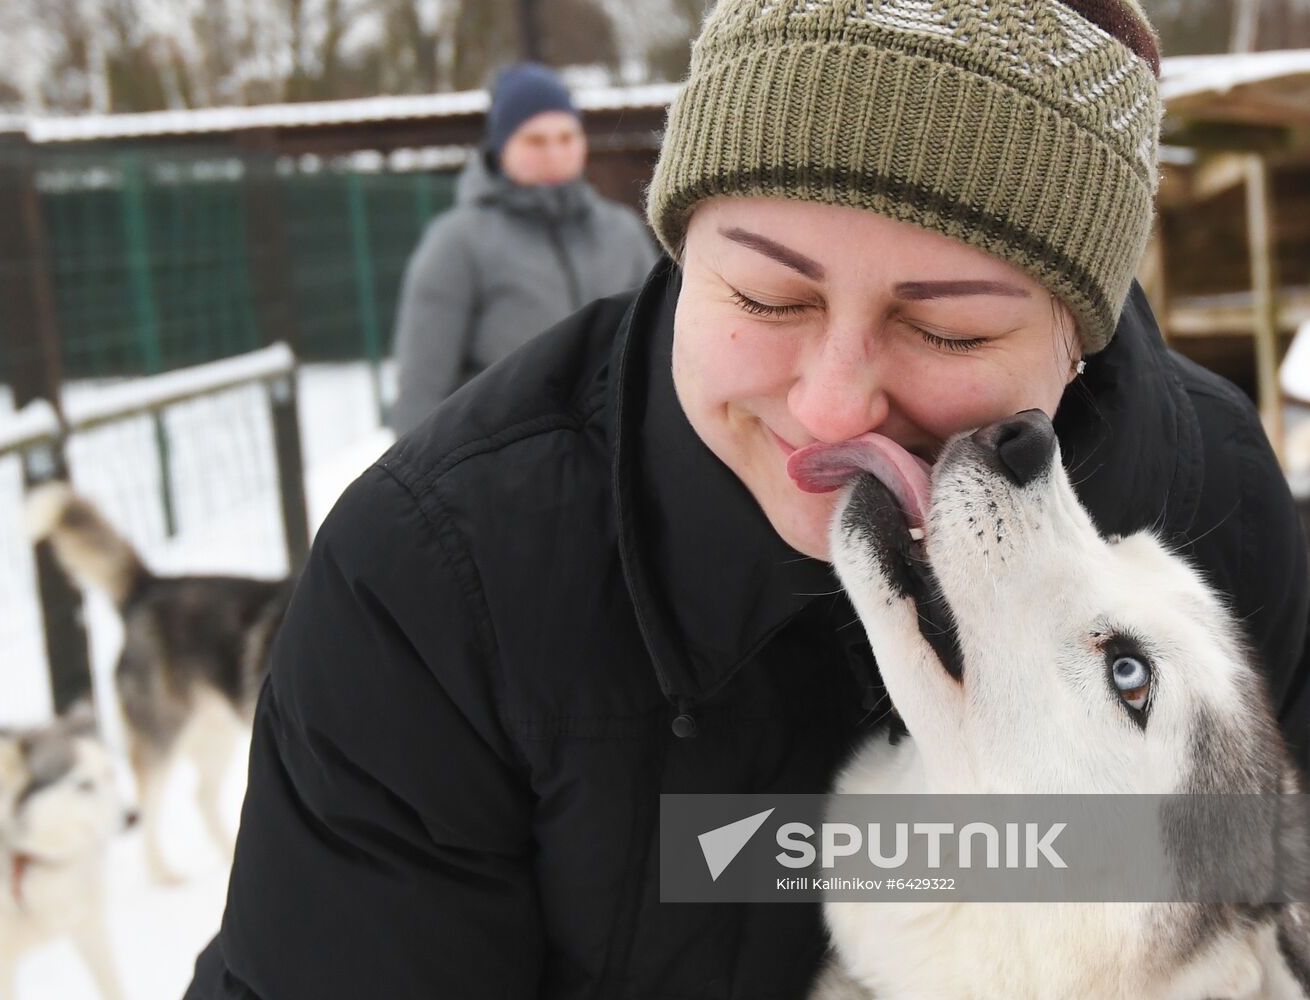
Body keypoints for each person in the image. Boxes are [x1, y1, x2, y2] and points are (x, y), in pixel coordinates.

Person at [186, 2, 1310, 997]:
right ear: (679, 254)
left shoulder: (1211, 501)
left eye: (947, 329)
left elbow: (1247, 904)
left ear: (1076, 338)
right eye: (764, 295)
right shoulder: (437, 584)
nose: (829, 410)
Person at [389, 61, 657, 434]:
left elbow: (661, 348)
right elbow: (421, 388)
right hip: (504, 474)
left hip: (616, 464)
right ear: (502, 148)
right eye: (535, 140)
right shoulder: (457, 243)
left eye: (566, 137)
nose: (554, 153)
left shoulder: (621, 231)